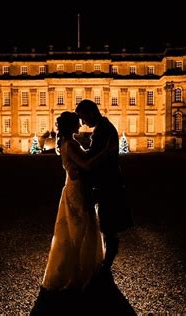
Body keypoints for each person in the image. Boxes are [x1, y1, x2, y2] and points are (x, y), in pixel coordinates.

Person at [41, 111, 115, 291]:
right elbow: (87, 165)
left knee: (76, 229)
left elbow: (83, 162)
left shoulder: (69, 143)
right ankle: (76, 276)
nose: (81, 123)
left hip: (73, 187)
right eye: (77, 121)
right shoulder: (70, 144)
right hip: (78, 189)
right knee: (79, 231)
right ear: (70, 125)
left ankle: (78, 272)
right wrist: (106, 152)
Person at [75, 99, 134, 274]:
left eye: (83, 118)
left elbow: (94, 158)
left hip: (109, 182)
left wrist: (74, 152)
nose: (83, 123)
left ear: (91, 112)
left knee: (109, 223)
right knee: (108, 221)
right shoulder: (103, 128)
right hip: (108, 181)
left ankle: (107, 264)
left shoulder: (104, 130)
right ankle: (106, 262)